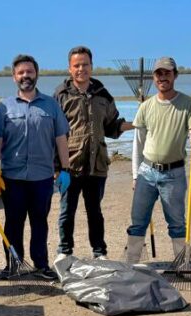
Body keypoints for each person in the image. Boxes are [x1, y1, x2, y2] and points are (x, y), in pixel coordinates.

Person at [0, 54, 72, 280]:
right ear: (13, 77)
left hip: (42, 178)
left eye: (29, 72)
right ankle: (14, 265)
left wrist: (65, 169)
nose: (25, 76)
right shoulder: (4, 107)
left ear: (36, 74)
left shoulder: (51, 105)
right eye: (21, 73)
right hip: (13, 177)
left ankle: (41, 265)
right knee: (13, 224)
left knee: (40, 223)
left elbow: (61, 139)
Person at [54, 46, 132, 261]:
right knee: (66, 212)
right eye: (76, 65)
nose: (81, 69)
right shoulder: (60, 96)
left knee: (95, 212)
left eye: (85, 65)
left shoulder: (103, 95)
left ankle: (99, 253)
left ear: (91, 66)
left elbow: (112, 127)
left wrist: (136, 124)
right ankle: (64, 252)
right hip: (69, 165)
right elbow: (53, 132)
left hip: (97, 165)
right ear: (70, 69)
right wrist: (57, 167)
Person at [126, 56, 191, 265]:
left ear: (175, 76)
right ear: (154, 78)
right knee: (138, 221)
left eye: (167, 73)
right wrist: (135, 175)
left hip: (174, 173)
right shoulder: (146, 107)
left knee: (177, 223)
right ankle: (132, 263)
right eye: (159, 74)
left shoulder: (189, 104)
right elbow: (138, 143)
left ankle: (183, 264)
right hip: (146, 172)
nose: (163, 77)